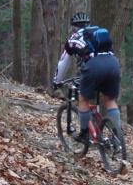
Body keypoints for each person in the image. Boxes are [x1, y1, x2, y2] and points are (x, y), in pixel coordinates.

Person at [53, 11, 124, 147]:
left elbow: (63, 63)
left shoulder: (73, 39)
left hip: (94, 66)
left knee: (83, 99)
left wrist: (57, 81)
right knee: (110, 100)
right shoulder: (99, 33)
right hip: (113, 63)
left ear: (73, 27)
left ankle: (84, 133)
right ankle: (117, 137)